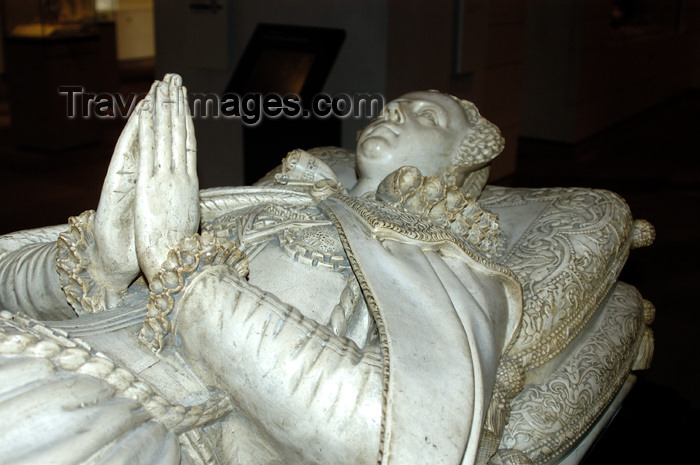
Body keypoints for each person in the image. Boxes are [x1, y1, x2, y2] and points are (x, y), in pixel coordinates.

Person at [0, 75, 522, 465]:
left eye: (426, 117)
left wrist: (190, 278)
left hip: (149, 416)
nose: (396, 114)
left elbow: (403, 435)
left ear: (462, 165)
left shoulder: (447, 267)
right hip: (57, 344)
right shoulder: (280, 196)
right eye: (393, 107)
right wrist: (107, 263)